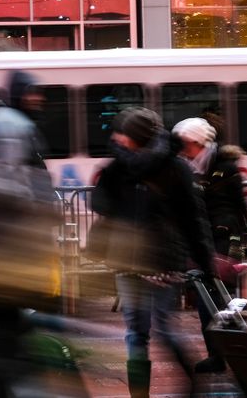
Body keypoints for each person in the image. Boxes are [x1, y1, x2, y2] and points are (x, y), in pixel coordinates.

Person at [91, 107, 214, 398]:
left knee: (136, 333)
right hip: (164, 260)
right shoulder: (176, 166)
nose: (118, 137)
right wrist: (205, 259)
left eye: (123, 133)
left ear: (134, 138)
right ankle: (193, 385)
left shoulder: (118, 167)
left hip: (127, 258)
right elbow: (191, 218)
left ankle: (140, 395)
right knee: (164, 326)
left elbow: (99, 204)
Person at [172, 116, 247, 374]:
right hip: (200, 239)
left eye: (185, 143)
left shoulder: (225, 168)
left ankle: (234, 350)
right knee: (207, 297)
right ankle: (220, 353)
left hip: (224, 239)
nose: (182, 147)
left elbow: (238, 207)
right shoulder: (183, 167)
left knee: (216, 297)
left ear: (198, 141)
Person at [0, 71, 51, 201]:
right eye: (32, 93)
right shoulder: (9, 123)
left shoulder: (22, 121)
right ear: (19, 94)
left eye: (39, 93)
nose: (40, 98)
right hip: (20, 211)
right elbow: (8, 174)